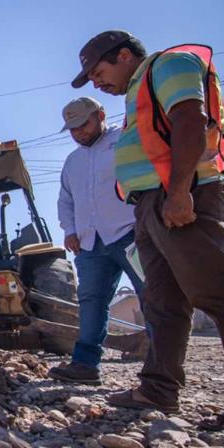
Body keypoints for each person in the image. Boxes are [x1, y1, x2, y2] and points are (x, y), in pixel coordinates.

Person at [71, 30, 224, 430]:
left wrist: (178, 192)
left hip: (179, 196)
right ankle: (158, 388)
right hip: (148, 205)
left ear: (124, 55)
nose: (96, 82)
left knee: (219, 290)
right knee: (162, 302)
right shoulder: (137, 89)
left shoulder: (169, 65)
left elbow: (190, 121)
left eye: (97, 71)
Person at [48, 96, 146, 385]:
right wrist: (70, 230)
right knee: (91, 301)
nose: (79, 133)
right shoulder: (72, 161)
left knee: (151, 295)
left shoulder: (125, 141)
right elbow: (66, 200)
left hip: (131, 236)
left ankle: (160, 365)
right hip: (90, 244)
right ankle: (85, 364)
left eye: (84, 125)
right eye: (73, 129)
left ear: (100, 114)